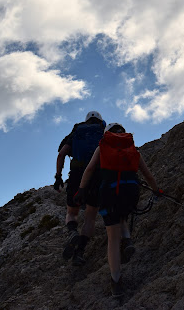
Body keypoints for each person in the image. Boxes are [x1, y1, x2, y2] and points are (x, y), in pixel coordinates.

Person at [77, 122, 161, 297]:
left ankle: (116, 281)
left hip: (109, 192)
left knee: (112, 238)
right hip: (130, 191)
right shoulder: (132, 148)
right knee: (123, 214)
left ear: (107, 134)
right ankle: (128, 240)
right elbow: (147, 174)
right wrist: (156, 190)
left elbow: (90, 169)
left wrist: (82, 190)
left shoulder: (102, 147)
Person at [54, 111, 105, 266]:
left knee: (71, 212)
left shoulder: (76, 132)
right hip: (96, 175)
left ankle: (72, 232)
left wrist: (58, 176)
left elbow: (61, 154)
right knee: (90, 217)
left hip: (76, 174)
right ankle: (79, 252)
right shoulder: (104, 132)